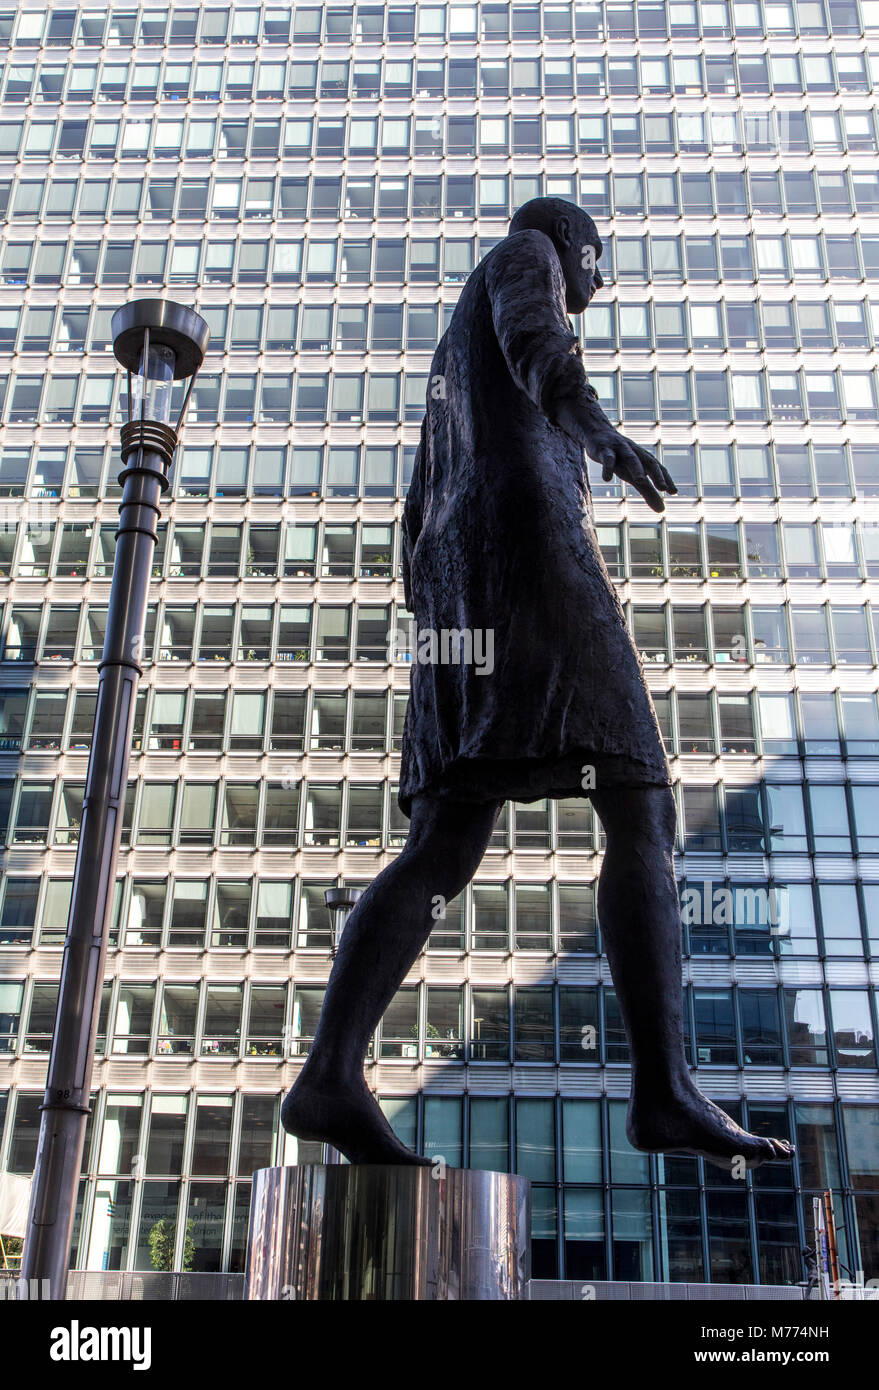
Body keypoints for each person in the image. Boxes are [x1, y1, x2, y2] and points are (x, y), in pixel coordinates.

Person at [282, 198, 793, 1171]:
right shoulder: (527, 255)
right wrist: (597, 431)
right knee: (639, 795)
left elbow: (419, 506)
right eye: (598, 265)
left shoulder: (449, 364)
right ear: (576, 246)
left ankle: (330, 1073)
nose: (597, 286)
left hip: (455, 591)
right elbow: (537, 337)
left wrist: (446, 634)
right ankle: (664, 1087)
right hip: (524, 564)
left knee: (442, 841)